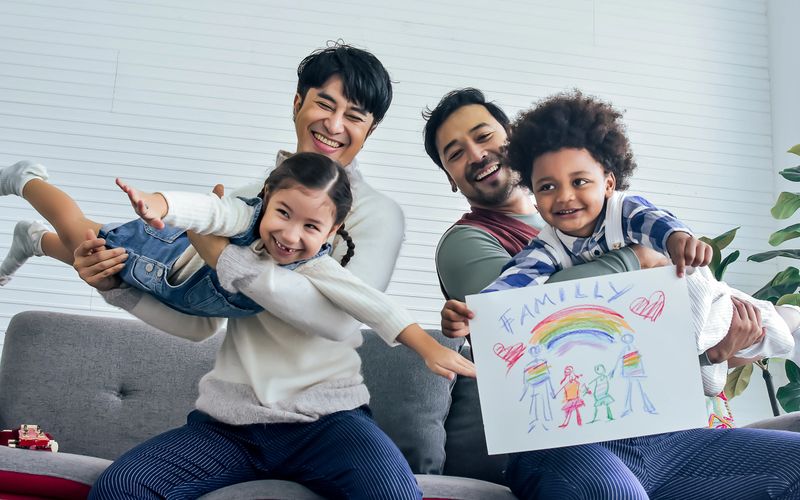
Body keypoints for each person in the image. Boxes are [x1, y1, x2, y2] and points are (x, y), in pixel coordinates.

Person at [49, 43, 429, 499]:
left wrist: (225, 257)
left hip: (329, 422)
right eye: (324, 104)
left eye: (354, 116)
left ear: (370, 130)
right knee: (121, 489)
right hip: (230, 425)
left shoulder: (378, 214)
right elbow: (199, 324)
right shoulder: (242, 203)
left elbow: (340, 321)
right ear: (297, 103)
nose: (334, 125)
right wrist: (117, 288)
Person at [423, 87, 800, 499]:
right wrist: (639, 258)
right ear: (450, 179)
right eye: (455, 154)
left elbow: (649, 323)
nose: (476, 154)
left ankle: (780, 322)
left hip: (662, 434)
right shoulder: (477, 242)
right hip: (561, 440)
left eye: (483, 136)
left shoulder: (616, 216)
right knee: (612, 492)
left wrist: (714, 352)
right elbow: (506, 311)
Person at [445, 90, 798, 393]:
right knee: (704, 376)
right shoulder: (541, 244)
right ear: (535, 192)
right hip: (653, 335)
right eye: (548, 187)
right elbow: (516, 283)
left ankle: (787, 318)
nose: (565, 196)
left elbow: (656, 223)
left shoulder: (622, 211)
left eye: (579, 182)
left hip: (693, 293)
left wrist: (678, 240)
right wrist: (475, 313)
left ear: (609, 184)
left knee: (763, 324)